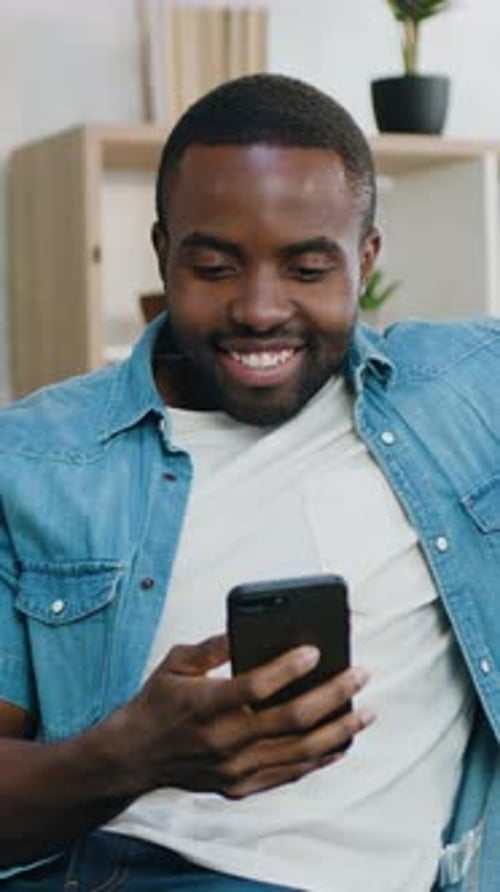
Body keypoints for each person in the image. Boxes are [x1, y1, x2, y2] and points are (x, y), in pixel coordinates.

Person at [0, 73, 499, 892]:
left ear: (365, 260)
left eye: (307, 269)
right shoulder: (34, 463)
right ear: (163, 253)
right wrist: (127, 757)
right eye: (215, 265)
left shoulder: (469, 391)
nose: (261, 309)